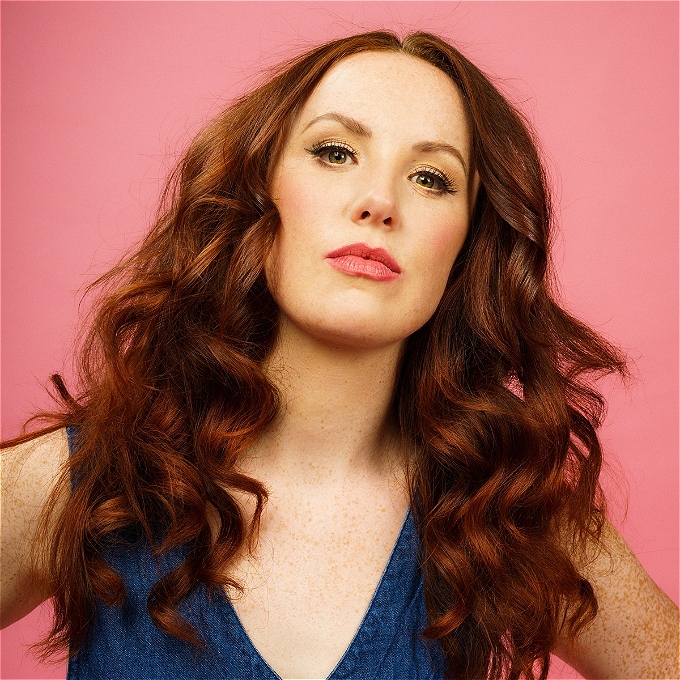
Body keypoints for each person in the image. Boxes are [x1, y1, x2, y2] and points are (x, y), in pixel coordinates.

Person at [1, 30, 677, 680]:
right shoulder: (83, 480)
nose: (379, 202)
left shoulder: (513, 510)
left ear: (469, 244)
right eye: (334, 152)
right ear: (259, 192)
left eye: (431, 178)